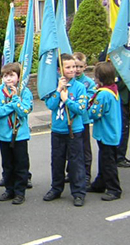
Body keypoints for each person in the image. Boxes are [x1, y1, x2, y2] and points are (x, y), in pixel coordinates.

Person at [43, 53, 88, 207]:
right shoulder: (54, 85)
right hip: (57, 130)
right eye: (68, 67)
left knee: (76, 162)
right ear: (59, 69)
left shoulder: (80, 87)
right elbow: (51, 105)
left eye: (74, 66)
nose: (72, 69)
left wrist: (66, 100)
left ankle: (78, 192)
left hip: (74, 130)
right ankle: (56, 188)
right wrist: (58, 91)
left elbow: (81, 109)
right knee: (57, 161)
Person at [0, 62, 33, 205]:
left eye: (11, 75)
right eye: (5, 76)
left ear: (18, 77)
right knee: (7, 164)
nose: (8, 79)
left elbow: (24, 111)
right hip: (4, 135)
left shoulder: (24, 92)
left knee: (20, 164)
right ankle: (9, 189)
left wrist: (16, 99)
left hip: (20, 135)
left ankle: (20, 192)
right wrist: (13, 105)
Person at [86, 61, 122, 201]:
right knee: (104, 159)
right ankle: (100, 183)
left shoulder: (102, 94)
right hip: (112, 131)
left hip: (106, 133)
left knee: (108, 162)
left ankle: (114, 189)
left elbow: (94, 113)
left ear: (99, 78)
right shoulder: (113, 89)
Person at [72, 52, 96, 185]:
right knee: (73, 148)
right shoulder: (69, 81)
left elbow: (89, 99)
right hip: (72, 121)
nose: (77, 69)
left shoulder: (89, 83)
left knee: (85, 148)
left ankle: (86, 174)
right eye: (74, 66)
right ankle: (72, 172)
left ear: (85, 67)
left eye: (80, 66)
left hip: (83, 120)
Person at [116, 76, 130, 168]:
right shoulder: (118, 68)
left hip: (125, 100)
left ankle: (121, 154)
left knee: (125, 127)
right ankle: (119, 156)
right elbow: (116, 85)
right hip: (120, 101)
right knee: (123, 128)